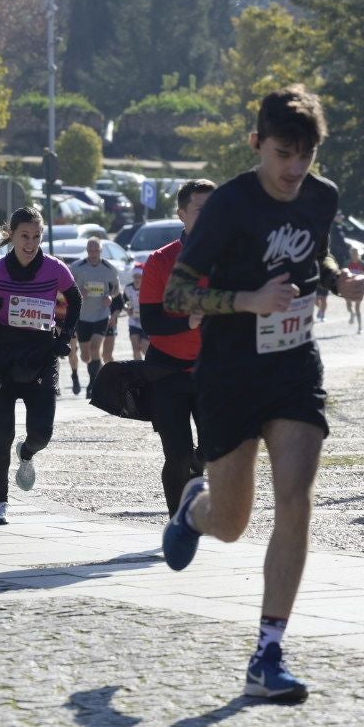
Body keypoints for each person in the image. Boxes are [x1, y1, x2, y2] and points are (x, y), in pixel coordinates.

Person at [160, 85, 364, 703]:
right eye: (283, 153)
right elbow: (177, 295)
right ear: (257, 144)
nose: (294, 169)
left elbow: (314, 262)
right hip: (229, 372)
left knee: (296, 499)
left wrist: (341, 281)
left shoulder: (321, 198)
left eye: (305, 155)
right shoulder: (228, 205)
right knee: (232, 522)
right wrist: (246, 301)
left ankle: (268, 652)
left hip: (294, 365)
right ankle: (195, 508)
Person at [0, 206, 81, 525]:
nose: (30, 243)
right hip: (1, 357)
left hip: (41, 357)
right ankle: (0, 501)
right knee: (2, 432)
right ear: (12, 236)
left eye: (36, 236)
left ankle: (28, 453)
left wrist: (65, 336)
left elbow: (75, 301)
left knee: (42, 434)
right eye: (24, 236)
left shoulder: (56, 269)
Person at [138, 179, 216, 517]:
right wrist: (189, 322)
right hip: (167, 371)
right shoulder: (160, 261)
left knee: (217, 447)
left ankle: (199, 468)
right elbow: (152, 323)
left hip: (213, 370)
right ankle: (176, 525)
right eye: (202, 209)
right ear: (182, 214)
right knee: (177, 454)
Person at [71, 238, 122, 397]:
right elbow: (68, 289)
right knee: (86, 356)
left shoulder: (109, 269)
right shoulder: (77, 268)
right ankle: (93, 377)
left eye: (96, 251)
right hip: (82, 316)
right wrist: (79, 293)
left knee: (95, 348)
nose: (93, 254)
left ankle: (92, 385)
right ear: (87, 251)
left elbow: (116, 290)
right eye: (90, 251)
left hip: (101, 314)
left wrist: (110, 298)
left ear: (101, 251)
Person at [124, 264, 147, 362]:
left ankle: (149, 368)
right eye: (135, 277)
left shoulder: (148, 289)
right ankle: (139, 373)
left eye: (139, 277)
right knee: (135, 348)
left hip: (146, 322)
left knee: (144, 348)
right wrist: (127, 309)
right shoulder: (128, 288)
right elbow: (125, 303)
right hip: (133, 321)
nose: (137, 279)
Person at [344, 253, 364, 332]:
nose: (354, 256)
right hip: (350, 287)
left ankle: (360, 327)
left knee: (357, 307)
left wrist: (361, 277)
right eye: (353, 254)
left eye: (356, 254)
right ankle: (351, 314)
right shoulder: (347, 263)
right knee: (348, 305)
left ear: (358, 255)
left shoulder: (363, 264)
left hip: (359, 288)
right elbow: (344, 275)